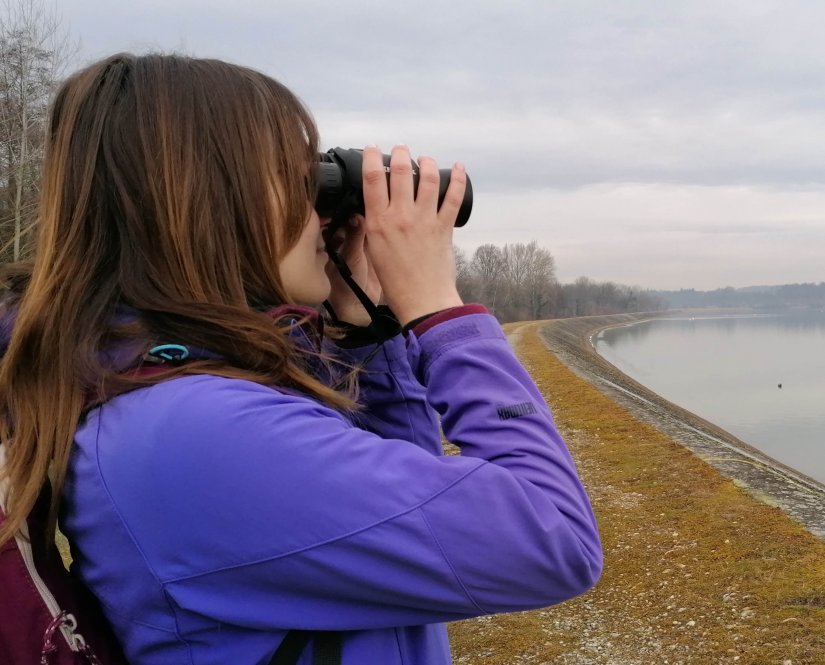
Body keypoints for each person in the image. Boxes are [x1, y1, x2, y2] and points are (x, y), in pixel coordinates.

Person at [0, 53, 602, 665]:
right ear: (213, 200)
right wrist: (440, 314)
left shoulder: (165, 391)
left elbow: (410, 518)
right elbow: (552, 539)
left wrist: (370, 333)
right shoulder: (199, 431)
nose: (323, 212)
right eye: (295, 180)